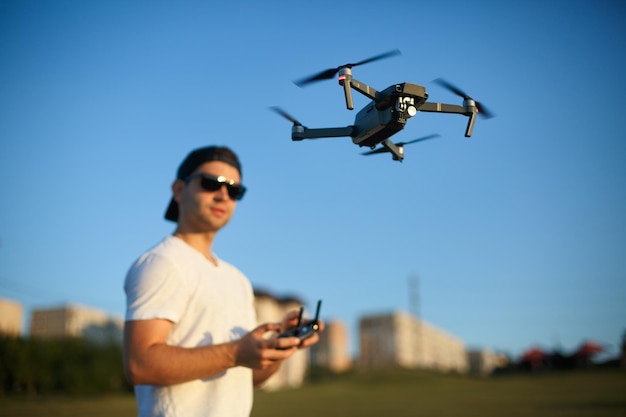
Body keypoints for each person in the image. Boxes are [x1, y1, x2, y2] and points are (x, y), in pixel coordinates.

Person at [123, 145, 322, 417]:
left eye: (234, 190)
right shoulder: (163, 262)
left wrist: (280, 344)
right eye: (210, 183)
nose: (223, 195)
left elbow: (249, 378)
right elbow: (139, 364)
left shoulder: (236, 279)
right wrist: (236, 352)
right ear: (179, 190)